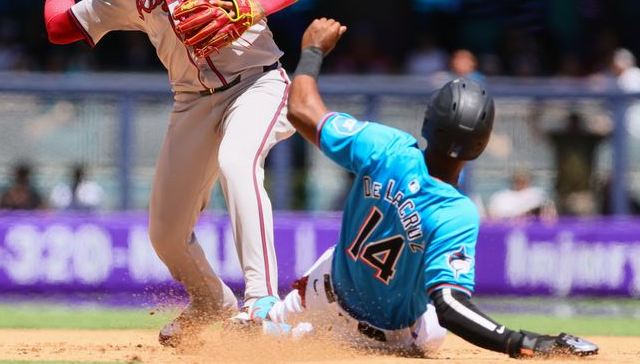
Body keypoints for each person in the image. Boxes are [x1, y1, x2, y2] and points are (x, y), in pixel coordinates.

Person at [42, 0, 318, 343]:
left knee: (238, 162)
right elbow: (59, 27)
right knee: (166, 232)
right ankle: (212, 302)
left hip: (257, 82)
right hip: (192, 102)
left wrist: (256, 6)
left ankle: (262, 302)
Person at [247, 18, 598, 358]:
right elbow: (450, 305)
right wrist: (525, 343)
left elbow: (301, 110)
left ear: (429, 122)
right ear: (480, 144)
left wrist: (311, 51)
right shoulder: (455, 212)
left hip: (322, 293)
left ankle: (273, 321)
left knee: (307, 294)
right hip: (384, 341)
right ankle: (294, 337)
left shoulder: (386, 146)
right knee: (433, 332)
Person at [531, 110, 610, 216]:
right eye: (571, 122)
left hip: (583, 195)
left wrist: (599, 118)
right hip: (563, 194)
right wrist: (536, 112)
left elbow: (609, 132)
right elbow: (538, 132)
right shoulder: (561, 138)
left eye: (576, 122)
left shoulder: (589, 139)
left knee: (585, 230)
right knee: (564, 229)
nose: (574, 126)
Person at [487, 169, 556, 221]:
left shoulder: (538, 194)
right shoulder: (501, 196)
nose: (521, 182)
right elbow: (492, 217)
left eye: (524, 179)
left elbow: (550, 215)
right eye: (518, 180)